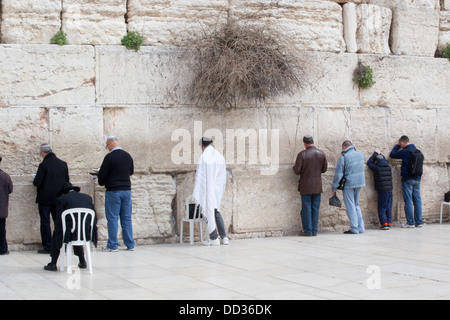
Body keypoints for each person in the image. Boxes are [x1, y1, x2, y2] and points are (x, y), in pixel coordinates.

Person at [44, 182, 97, 271]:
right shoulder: (87, 198)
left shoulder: (62, 199)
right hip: (86, 232)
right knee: (76, 230)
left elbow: (58, 221)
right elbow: (95, 217)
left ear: (63, 192)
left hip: (70, 233)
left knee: (61, 232)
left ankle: (53, 263)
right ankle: (82, 261)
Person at [97, 136, 135, 252]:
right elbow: (131, 171)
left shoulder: (109, 157)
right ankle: (130, 244)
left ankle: (113, 245)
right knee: (126, 218)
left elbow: (102, 175)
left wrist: (101, 180)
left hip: (114, 191)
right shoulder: (127, 156)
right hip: (126, 191)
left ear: (109, 143)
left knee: (113, 218)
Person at [33, 143, 69, 254]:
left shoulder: (43, 165)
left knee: (45, 222)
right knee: (59, 222)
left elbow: (37, 182)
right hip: (59, 198)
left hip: (45, 199)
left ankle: (48, 246)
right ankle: (61, 244)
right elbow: (67, 181)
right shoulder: (63, 164)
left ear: (43, 153)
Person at [192, 137, 228, 246]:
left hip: (208, 188)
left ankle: (214, 238)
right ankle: (224, 237)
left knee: (208, 210)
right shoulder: (220, 157)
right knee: (216, 210)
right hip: (216, 189)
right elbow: (222, 176)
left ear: (203, 146)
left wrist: (199, 190)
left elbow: (200, 177)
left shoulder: (204, 157)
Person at [293, 136, 328, 236]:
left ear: (304, 143)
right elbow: (324, 169)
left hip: (306, 186)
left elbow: (297, 170)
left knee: (306, 208)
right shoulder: (321, 154)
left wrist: (294, 167)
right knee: (315, 208)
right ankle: (314, 230)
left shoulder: (302, 154)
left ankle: (308, 230)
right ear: (313, 142)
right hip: (317, 185)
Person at [332, 140, 366, 234]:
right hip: (360, 183)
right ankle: (361, 227)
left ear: (344, 147)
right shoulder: (360, 155)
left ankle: (354, 228)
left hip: (349, 183)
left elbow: (338, 174)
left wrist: (334, 187)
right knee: (356, 204)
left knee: (350, 205)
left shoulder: (344, 157)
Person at [389, 135, 423, 228]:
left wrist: (397, 146)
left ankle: (410, 222)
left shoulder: (405, 151)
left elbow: (392, 154)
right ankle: (419, 222)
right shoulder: (417, 151)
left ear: (402, 143)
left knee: (408, 200)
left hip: (407, 179)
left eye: (401, 143)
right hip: (417, 178)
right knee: (417, 200)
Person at [367, 151, 393, 230]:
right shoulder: (388, 166)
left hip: (382, 190)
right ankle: (389, 222)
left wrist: (375, 154)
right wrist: (381, 154)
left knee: (382, 206)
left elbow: (369, 163)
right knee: (389, 206)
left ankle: (384, 223)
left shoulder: (377, 168)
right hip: (390, 189)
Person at [0, 157, 13, 255]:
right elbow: (10, 190)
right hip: (2, 209)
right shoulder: (5, 176)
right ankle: (3, 249)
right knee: (1, 229)